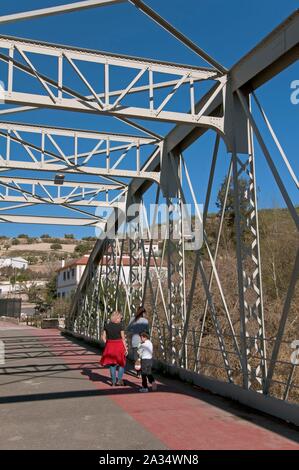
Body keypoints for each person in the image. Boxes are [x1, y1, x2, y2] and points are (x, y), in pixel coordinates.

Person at [100, 311, 128, 386]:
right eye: (120, 318)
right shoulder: (120, 326)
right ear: (117, 318)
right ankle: (119, 380)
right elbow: (123, 338)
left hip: (110, 345)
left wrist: (108, 343)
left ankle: (113, 381)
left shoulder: (106, 325)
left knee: (112, 364)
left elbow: (103, 337)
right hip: (119, 345)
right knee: (121, 364)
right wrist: (126, 348)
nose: (121, 320)